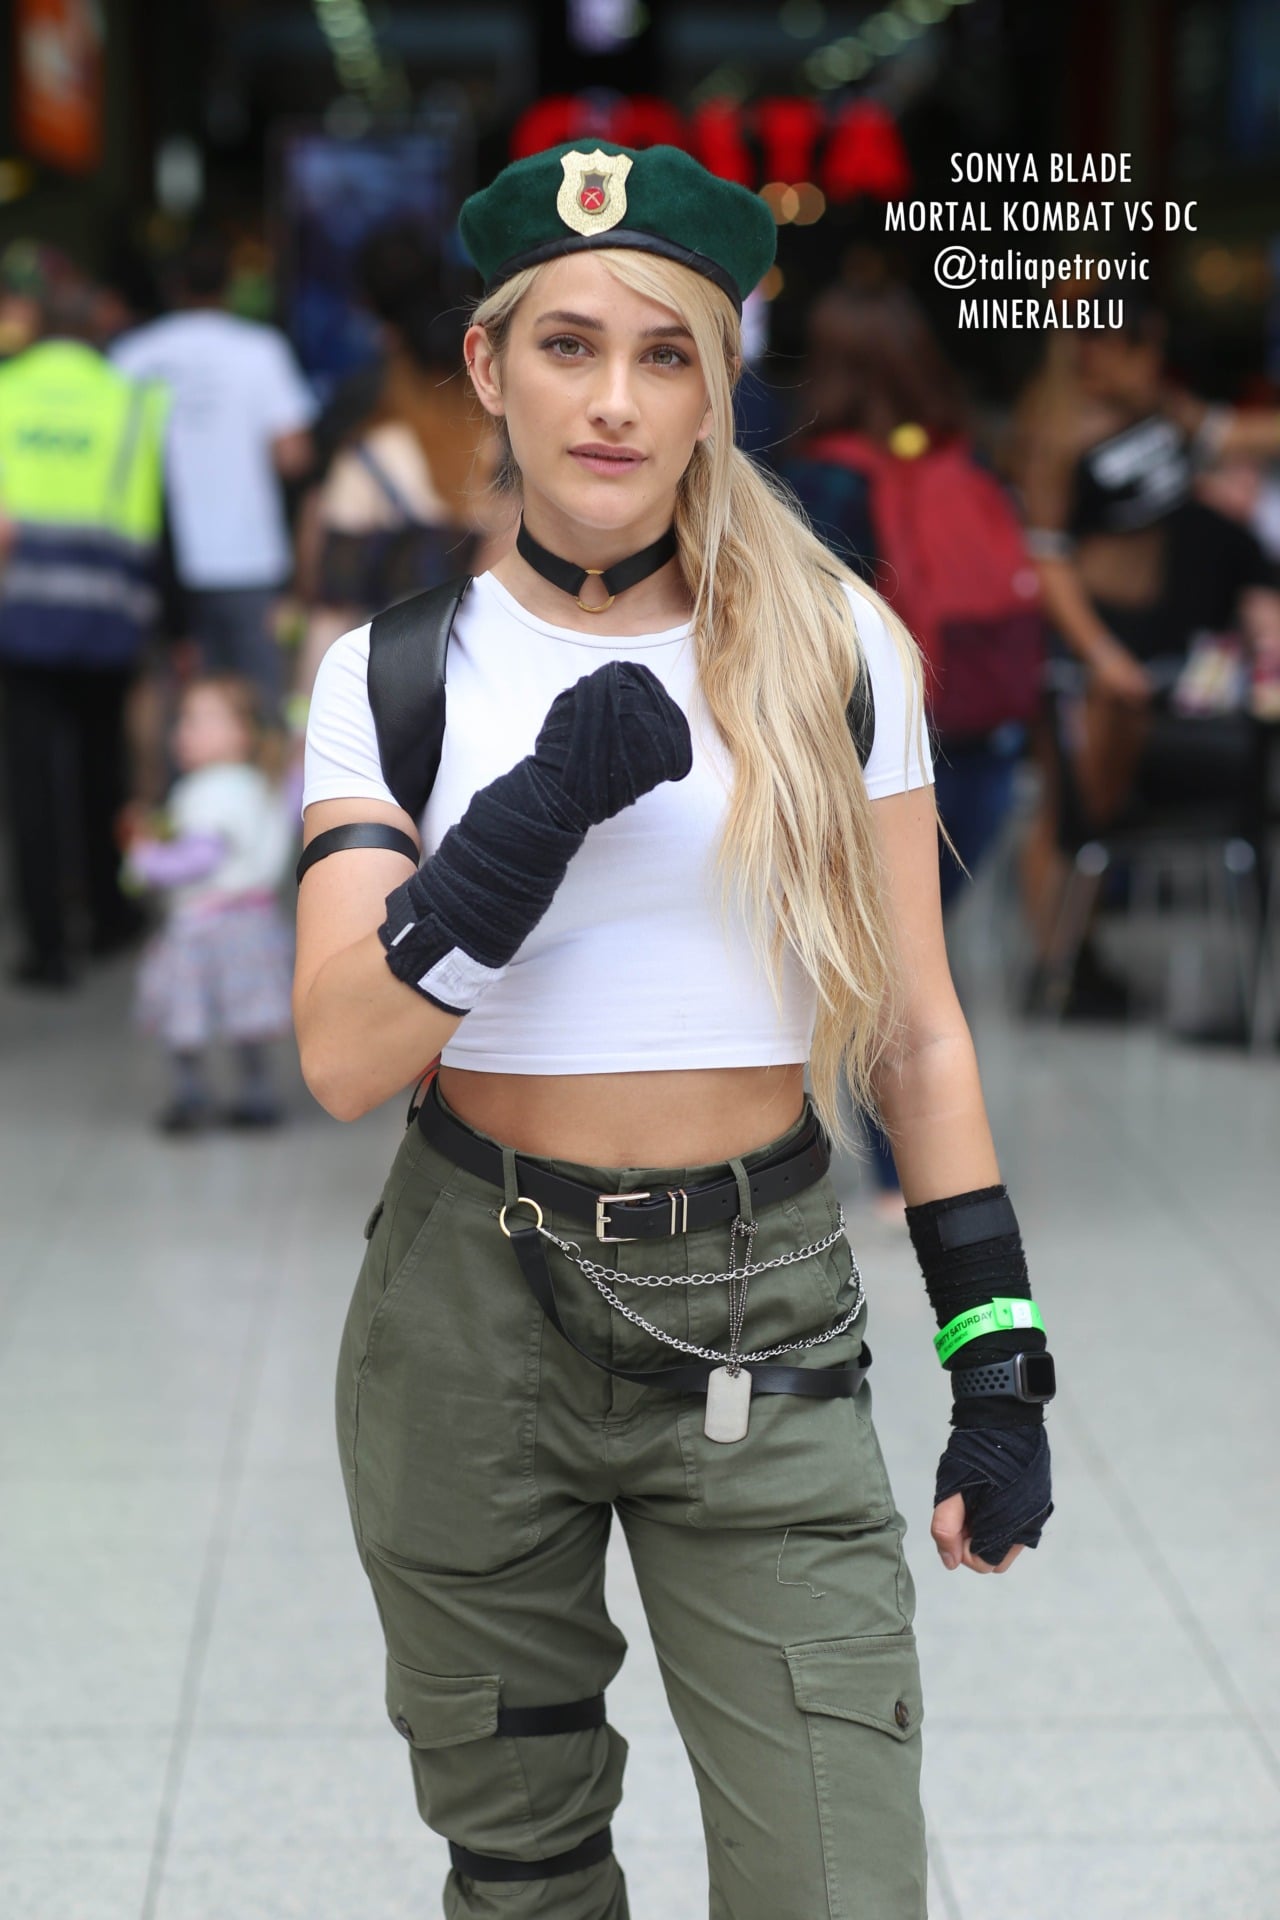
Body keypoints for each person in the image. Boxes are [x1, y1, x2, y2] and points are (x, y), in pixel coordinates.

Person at [296, 140, 1057, 1920]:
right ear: (489, 365)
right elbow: (341, 1055)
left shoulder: (838, 649)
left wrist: (999, 1364)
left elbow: (917, 1037)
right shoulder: (395, 674)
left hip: (757, 1301)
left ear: (721, 384)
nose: (616, 401)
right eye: (567, 345)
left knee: (836, 1879)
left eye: (666, 354)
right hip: (465, 1312)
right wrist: (527, 822)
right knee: (527, 1872)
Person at [779, 281, 1043, 1209]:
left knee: (873, 948)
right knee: (912, 949)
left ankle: (896, 1172)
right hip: (984, 730)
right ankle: (913, 1165)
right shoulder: (966, 460)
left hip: (881, 745)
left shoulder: (819, 482)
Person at [1013, 296, 1280, 1011]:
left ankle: (1081, 953)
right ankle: (1052, 969)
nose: (1144, 361)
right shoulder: (1056, 426)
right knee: (1071, 808)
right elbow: (1047, 556)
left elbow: (1237, 434)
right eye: (1130, 346)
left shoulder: (1160, 410)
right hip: (1086, 637)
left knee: (1109, 802)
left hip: (1146, 636)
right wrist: (1099, 653)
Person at [0, 243, 169, 987]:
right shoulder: (133, 399)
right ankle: (108, 915)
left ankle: (47, 944)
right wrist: (172, 624)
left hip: (19, 614)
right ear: (98, 329)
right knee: (103, 765)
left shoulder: (6, 391)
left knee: (31, 779)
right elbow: (159, 521)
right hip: (107, 612)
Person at [111, 233, 316, 719]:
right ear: (229, 287)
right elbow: (294, 456)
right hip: (248, 554)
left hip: (156, 555)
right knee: (258, 700)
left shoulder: (132, 355)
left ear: (173, 287)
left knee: (169, 700)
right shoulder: (260, 349)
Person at [127, 673, 294, 1132]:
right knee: (247, 1016)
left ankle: (191, 1095)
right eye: (183, 720)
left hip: (206, 924)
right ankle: (257, 1095)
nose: (183, 731)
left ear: (243, 733)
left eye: (200, 720)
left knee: (184, 1015)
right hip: (253, 921)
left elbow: (201, 856)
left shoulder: (209, 790)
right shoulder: (260, 782)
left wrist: (147, 860)